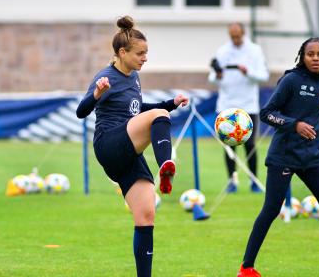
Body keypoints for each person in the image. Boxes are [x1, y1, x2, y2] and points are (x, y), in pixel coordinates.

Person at [237, 38, 319, 277]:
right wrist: (294, 125)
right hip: (284, 156)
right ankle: (246, 268)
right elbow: (268, 113)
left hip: (310, 158)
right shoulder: (291, 80)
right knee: (271, 209)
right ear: (303, 56)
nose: (316, 58)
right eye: (311, 54)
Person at [76, 16, 188, 277]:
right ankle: (166, 164)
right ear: (122, 52)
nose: (145, 58)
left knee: (146, 216)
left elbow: (138, 111)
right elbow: (81, 112)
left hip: (127, 152)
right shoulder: (105, 77)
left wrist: (170, 102)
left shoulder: (134, 77)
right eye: (140, 53)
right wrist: (96, 95)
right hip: (109, 144)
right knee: (160, 117)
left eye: (146, 53)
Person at [209, 22, 269, 193]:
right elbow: (212, 78)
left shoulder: (255, 50)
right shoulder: (222, 51)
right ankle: (232, 181)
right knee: (229, 145)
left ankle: (254, 180)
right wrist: (218, 74)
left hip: (248, 105)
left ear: (243, 33)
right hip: (226, 105)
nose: (235, 39)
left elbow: (264, 76)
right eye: (232, 36)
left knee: (249, 144)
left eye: (238, 36)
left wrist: (247, 72)